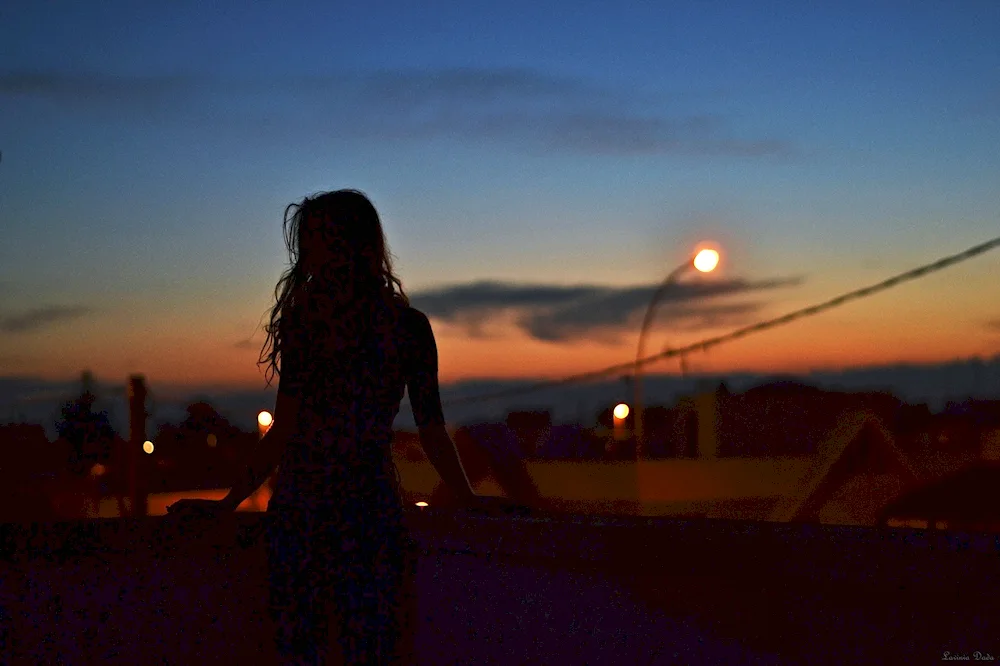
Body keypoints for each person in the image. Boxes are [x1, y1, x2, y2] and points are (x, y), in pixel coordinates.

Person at [168, 189, 505, 664]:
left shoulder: (313, 323)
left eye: (321, 241)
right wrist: (468, 499)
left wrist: (228, 503)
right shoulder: (402, 326)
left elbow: (286, 432)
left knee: (310, 646)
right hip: (363, 511)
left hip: (313, 512)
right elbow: (430, 430)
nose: (314, 256)